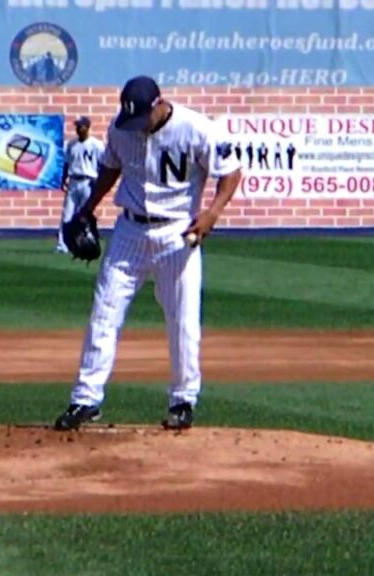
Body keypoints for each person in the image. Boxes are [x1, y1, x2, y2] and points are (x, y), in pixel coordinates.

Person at [53, 75, 242, 431]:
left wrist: (212, 213)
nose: (136, 125)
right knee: (104, 312)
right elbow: (111, 167)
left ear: (159, 104)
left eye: (142, 117)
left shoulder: (197, 128)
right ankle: (86, 398)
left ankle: (183, 399)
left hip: (177, 233)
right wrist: (88, 207)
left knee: (182, 319)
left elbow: (230, 172)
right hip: (129, 231)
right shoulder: (121, 128)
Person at [57, 116, 105, 253]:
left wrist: (99, 182)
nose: (78, 129)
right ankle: (62, 244)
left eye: (81, 126)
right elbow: (67, 163)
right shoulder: (72, 144)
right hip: (74, 181)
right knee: (67, 213)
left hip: (88, 181)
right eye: (77, 126)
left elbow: (102, 165)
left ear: (87, 127)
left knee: (86, 214)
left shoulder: (96, 145)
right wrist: (64, 179)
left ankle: (87, 241)